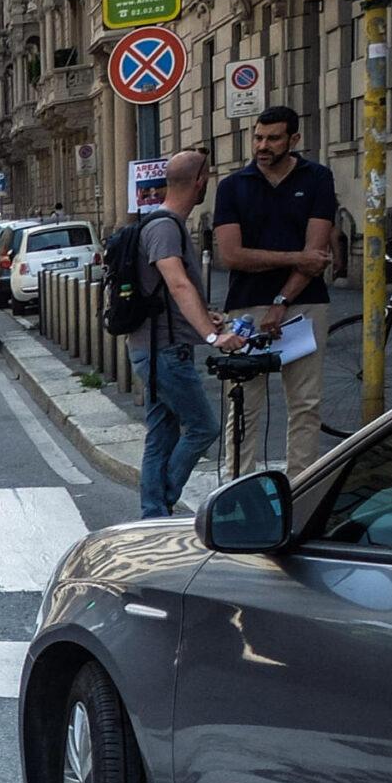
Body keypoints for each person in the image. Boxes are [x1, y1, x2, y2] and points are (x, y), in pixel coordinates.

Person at [214, 104, 336, 473]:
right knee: (243, 406)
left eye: (273, 138)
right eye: (258, 137)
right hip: (245, 308)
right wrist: (295, 258)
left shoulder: (317, 178)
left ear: (294, 139)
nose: (262, 145)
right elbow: (232, 256)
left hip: (303, 305)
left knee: (305, 404)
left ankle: (299, 489)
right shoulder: (232, 186)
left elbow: (316, 255)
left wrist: (282, 300)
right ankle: (237, 488)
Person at [130, 150, 248, 520]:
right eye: (207, 178)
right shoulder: (165, 227)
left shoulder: (163, 223)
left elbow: (172, 294)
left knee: (161, 435)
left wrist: (204, 317)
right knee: (203, 427)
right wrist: (214, 339)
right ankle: (162, 502)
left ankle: (153, 515)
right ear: (201, 181)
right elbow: (178, 283)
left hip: (154, 347)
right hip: (163, 351)